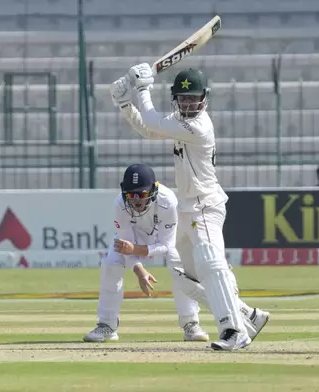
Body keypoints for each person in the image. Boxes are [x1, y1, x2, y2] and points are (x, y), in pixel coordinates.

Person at [109, 65, 269, 351]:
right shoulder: (179, 120)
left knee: (210, 262)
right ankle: (249, 315)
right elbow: (148, 129)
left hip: (205, 205)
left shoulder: (198, 126)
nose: (187, 103)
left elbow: (152, 119)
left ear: (204, 98)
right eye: (183, 98)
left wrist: (143, 88)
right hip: (186, 209)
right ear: (176, 99)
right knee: (182, 277)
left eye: (193, 98)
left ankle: (234, 330)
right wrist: (124, 103)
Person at [83, 164, 270, 345]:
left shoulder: (168, 200)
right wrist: (140, 271)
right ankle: (106, 325)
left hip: (167, 236)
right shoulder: (119, 204)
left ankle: (191, 324)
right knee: (111, 263)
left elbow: (166, 244)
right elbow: (125, 246)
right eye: (131, 195)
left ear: (154, 190)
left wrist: (136, 250)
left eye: (142, 194)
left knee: (181, 270)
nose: (137, 200)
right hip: (136, 238)